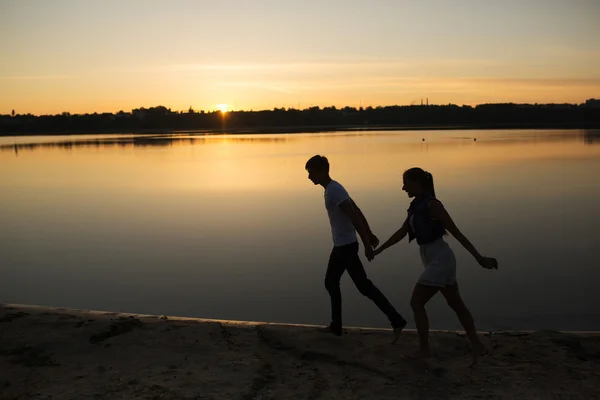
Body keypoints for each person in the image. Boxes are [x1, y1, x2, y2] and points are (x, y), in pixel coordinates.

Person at [373, 167, 498, 366]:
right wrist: (379, 251)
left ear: (417, 183)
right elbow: (402, 232)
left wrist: (479, 258)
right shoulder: (415, 206)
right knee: (456, 304)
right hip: (433, 259)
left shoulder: (433, 205)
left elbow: (457, 233)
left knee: (416, 303)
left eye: (406, 183)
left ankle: (425, 350)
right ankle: (476, 344)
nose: (403, 187)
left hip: (441, 260)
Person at [305, 155, 407, 339]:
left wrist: (367, 244)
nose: (309, 177)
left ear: (321, 171)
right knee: (362, 286)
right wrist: (368, 234)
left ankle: (337, 326)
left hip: (345, 246)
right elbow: (357, 210)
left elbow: (353, 215)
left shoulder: (334, 190)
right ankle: (396, 319)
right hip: (346, 244)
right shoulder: (333, 188)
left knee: (333, 282)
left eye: (311, 173)